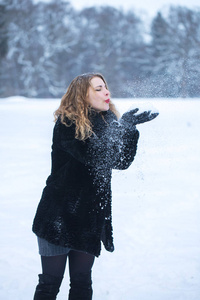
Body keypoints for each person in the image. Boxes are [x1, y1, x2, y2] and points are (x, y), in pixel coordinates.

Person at [32, 73, 158, 300]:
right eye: (98, 89)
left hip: (88, 218)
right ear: (82, 95)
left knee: (81, 283)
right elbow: (94, 154)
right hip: (58, 216)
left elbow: (120, 161)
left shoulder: (107, 121)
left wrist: (128, 130)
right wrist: (122, 128)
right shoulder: (68, 123)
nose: (106, 92)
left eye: (105, 87)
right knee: (50, 285)